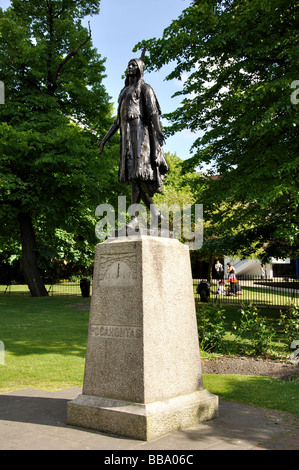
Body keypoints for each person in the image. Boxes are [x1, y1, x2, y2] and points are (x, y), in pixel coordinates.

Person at [98, 56, 169, 228]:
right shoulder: (123, 92)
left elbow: (153, 113)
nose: (130, 67)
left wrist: (158, 132)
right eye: (128, 64)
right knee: (134, 178)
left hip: (141, 137)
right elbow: (117, 121)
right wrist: (104, 140)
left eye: (134, 65)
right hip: (127, 139)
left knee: (137, 177)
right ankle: (155, 214)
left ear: (140, 69)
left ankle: (134, 218)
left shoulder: (145, 89)